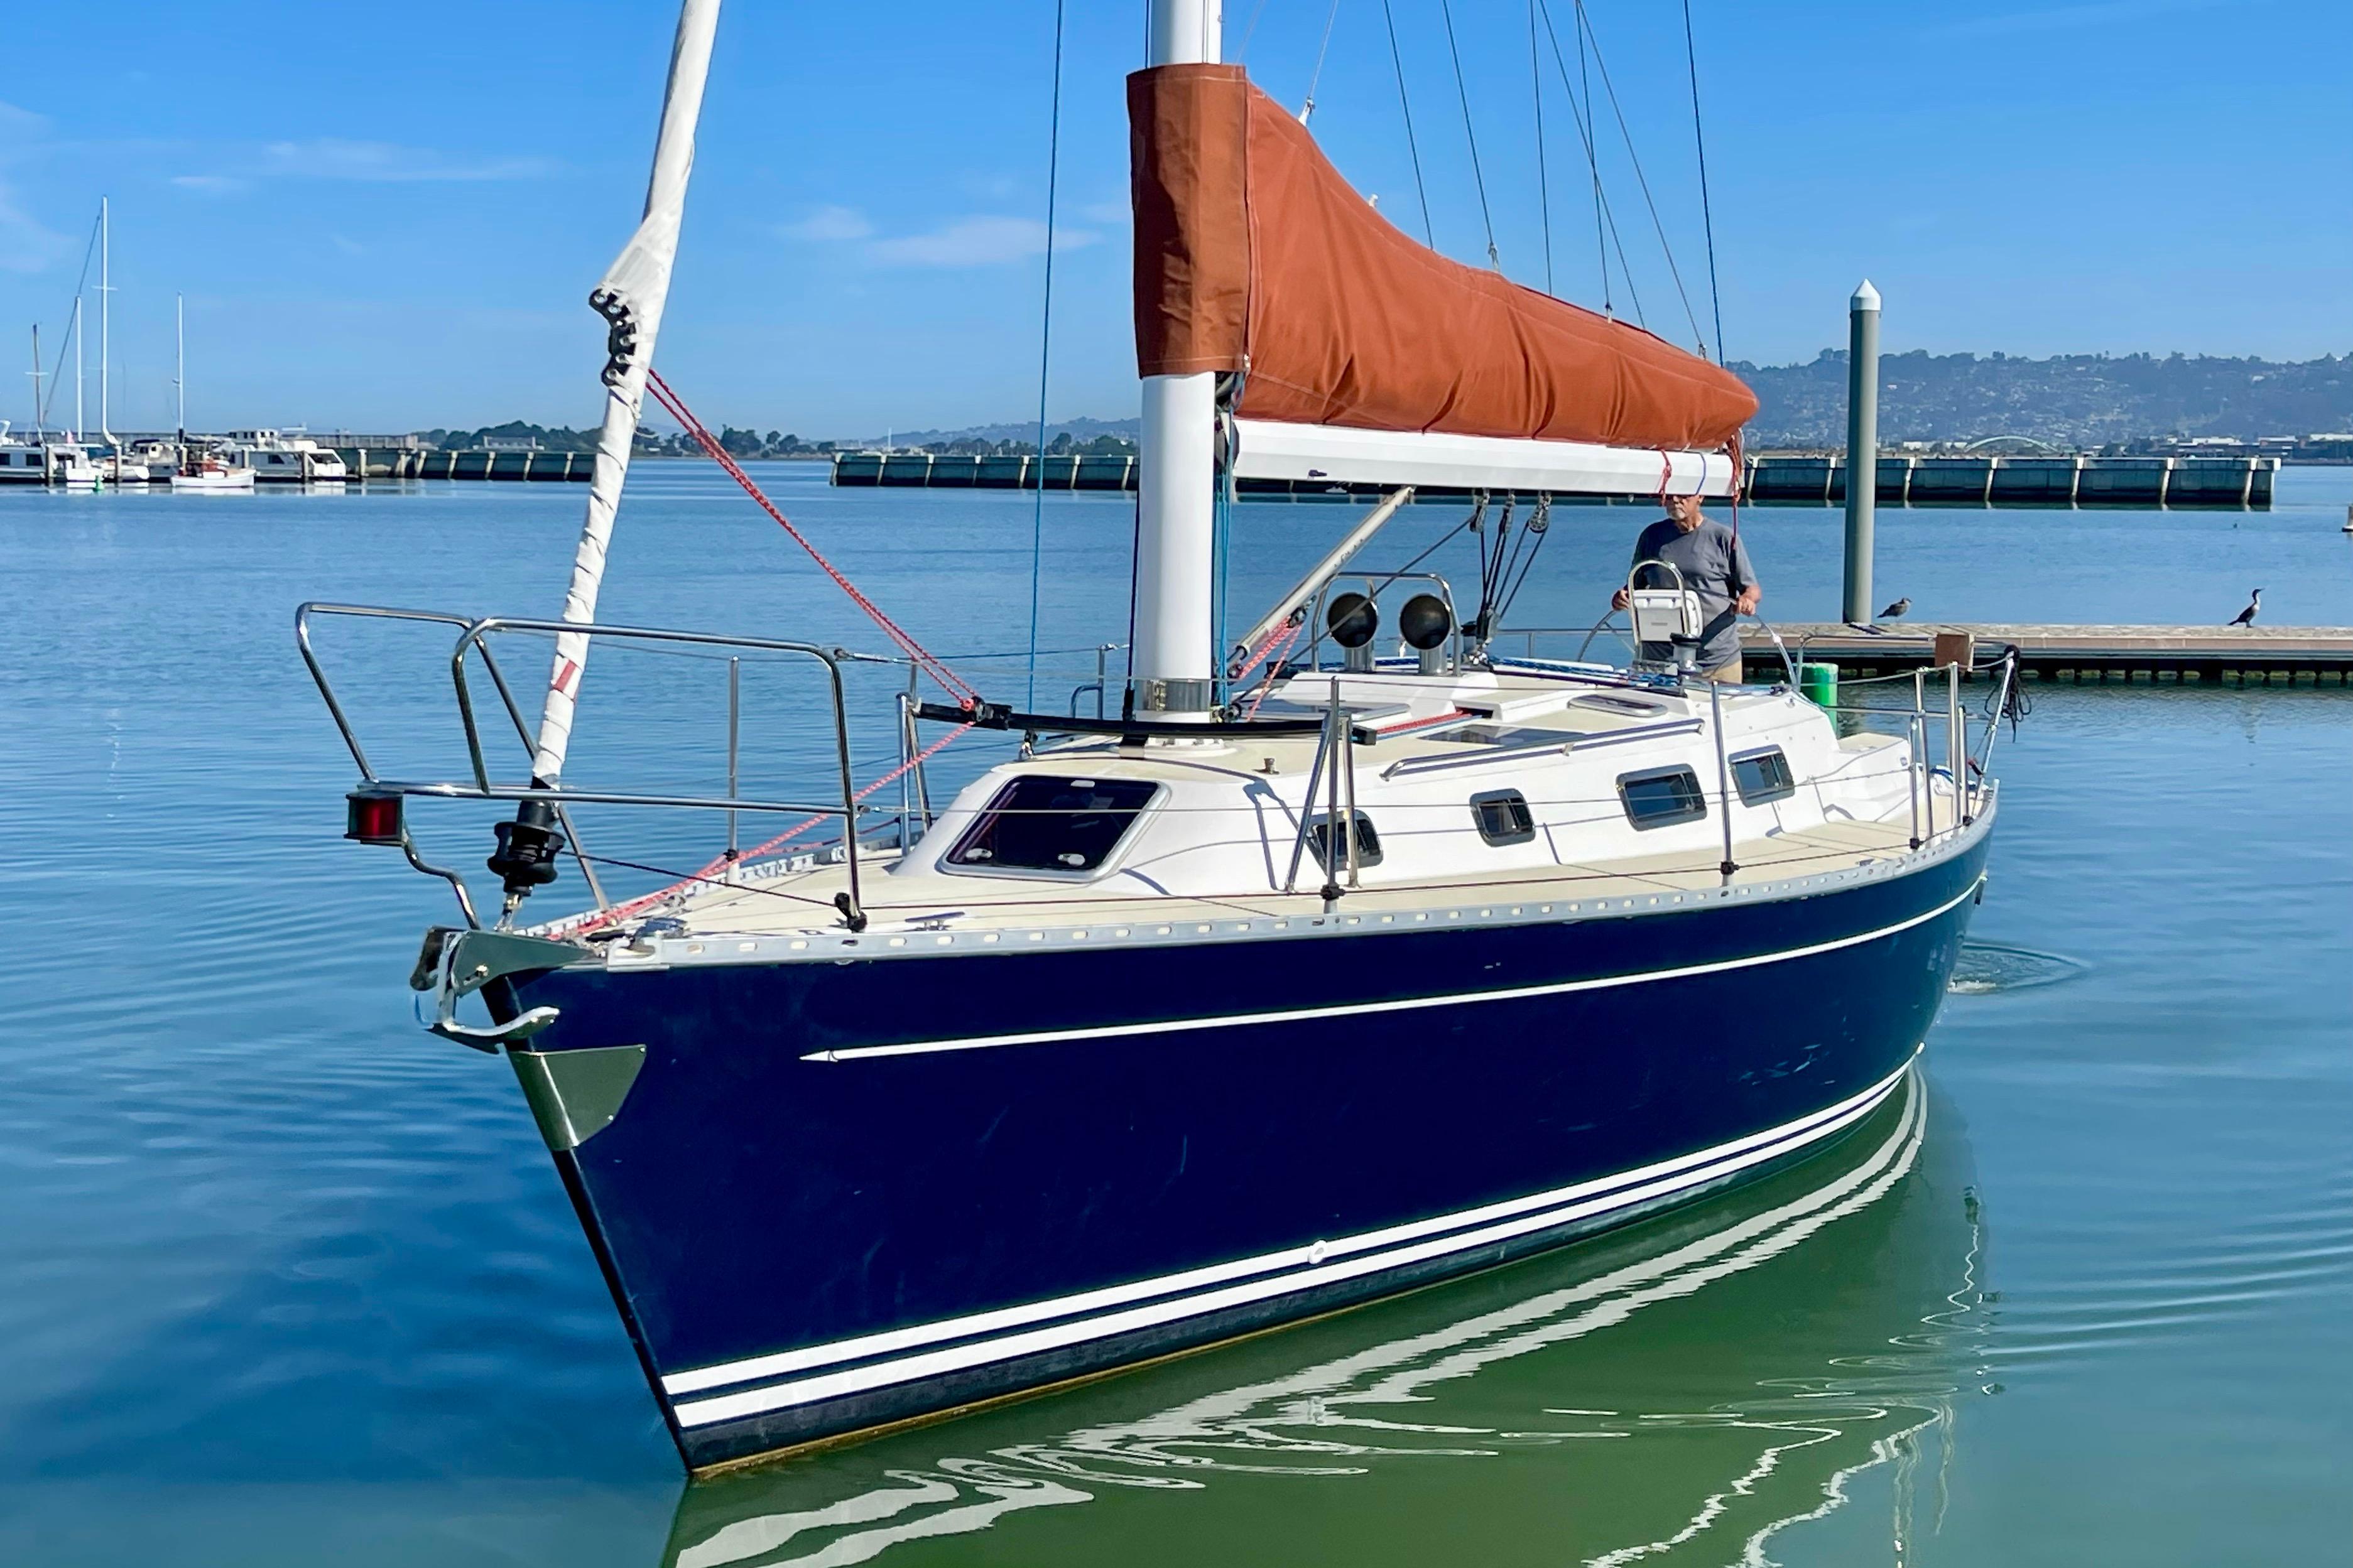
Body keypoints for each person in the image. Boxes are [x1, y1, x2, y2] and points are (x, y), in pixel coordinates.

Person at [1610, 492, 1761, 683]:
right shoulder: (1651, 536)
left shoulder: (1724, 537)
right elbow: (1634, 586)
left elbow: (1752, 589)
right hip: (1659, 660)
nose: (1675, 500)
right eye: (1670, 495)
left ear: (1700, 498)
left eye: (1683, 495)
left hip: (1716, 658)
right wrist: (1621, 598)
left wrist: (1747, 600)